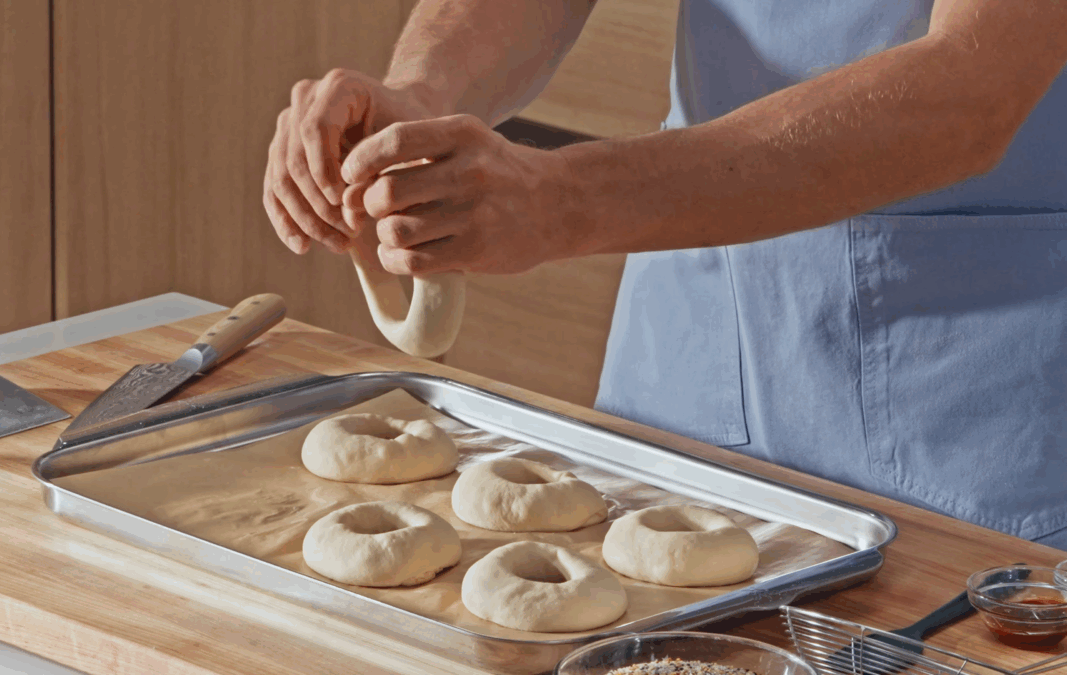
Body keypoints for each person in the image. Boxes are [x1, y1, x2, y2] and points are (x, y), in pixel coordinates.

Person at [264, 0, 1067, 550]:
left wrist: (564, 199)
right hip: (697, 351)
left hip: (975, 397)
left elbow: (974, 86)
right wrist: (426, 86)